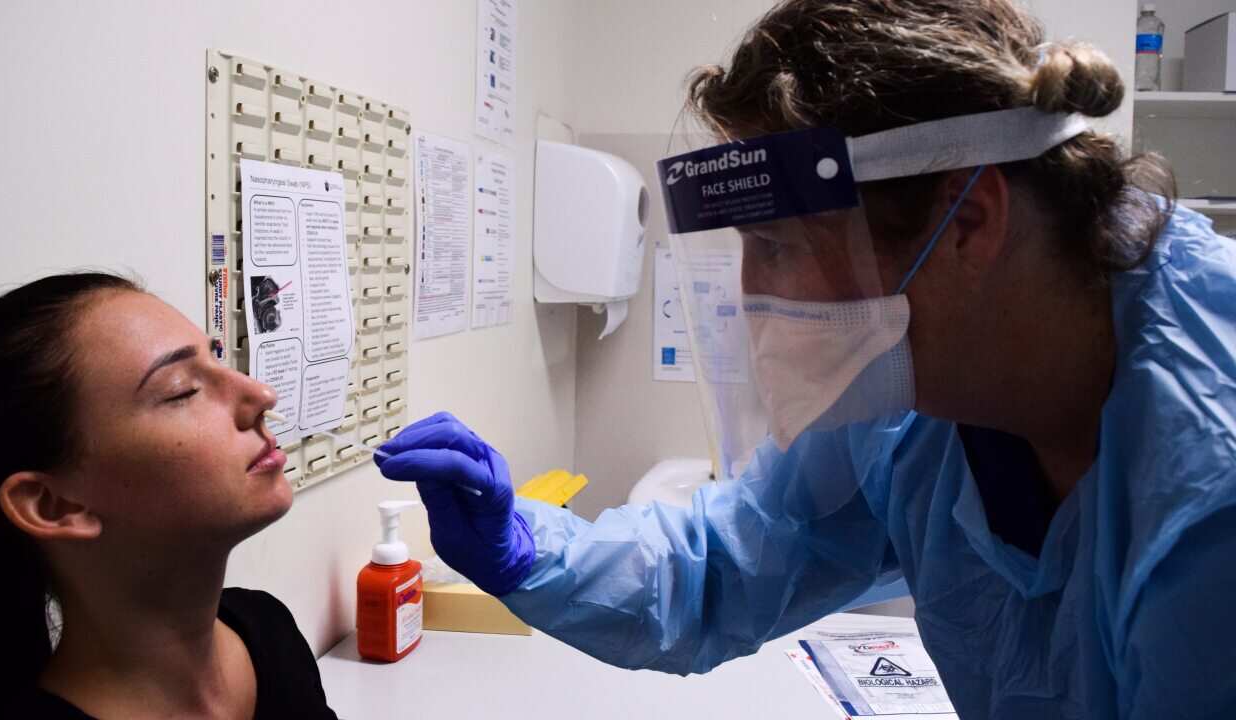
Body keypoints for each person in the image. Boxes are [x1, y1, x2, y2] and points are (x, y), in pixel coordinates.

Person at [376, 1, 1236, 718]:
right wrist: (532, 550)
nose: (753, 291)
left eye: (779, 245)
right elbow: (735, 556)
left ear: (969, 222)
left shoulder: (1210, 491)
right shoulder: (918, 399)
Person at [0, 273, 338, 719]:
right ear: (54, 505)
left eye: (217, 358)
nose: (262, 395)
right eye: (182, 390)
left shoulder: (266, 631)